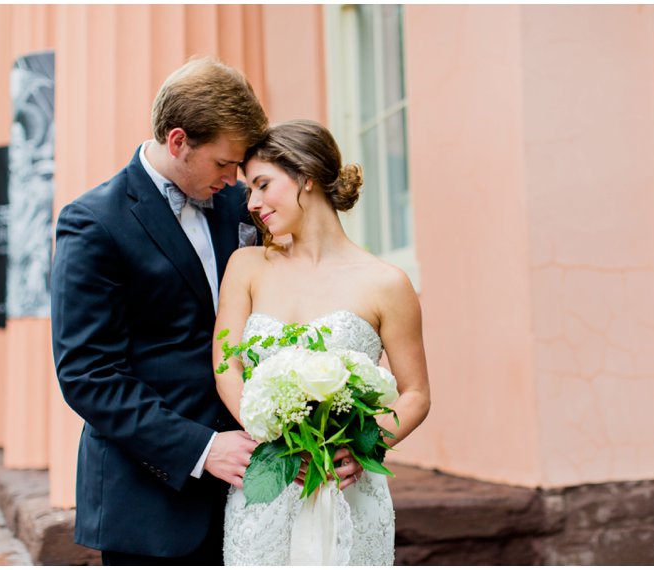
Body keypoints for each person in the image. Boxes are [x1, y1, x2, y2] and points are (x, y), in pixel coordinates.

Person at [50, 57, 268, 565]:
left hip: (252, 496)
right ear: (178, 141)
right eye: (223, 163)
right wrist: (202, 448)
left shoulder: (241, 205)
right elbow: (88, 375)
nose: (235, 179)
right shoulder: (92, 223)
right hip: (150, 502)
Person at [213, 119, 431, 565]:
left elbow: (416, 394)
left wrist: (363, 446)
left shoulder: (386, 283)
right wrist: (276, 437)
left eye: (262, 185)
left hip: (347, 488)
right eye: (248, 190)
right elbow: (224, 364)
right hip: (269, 484)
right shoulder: (247, 266)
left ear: (306, 175)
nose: (252, 203)